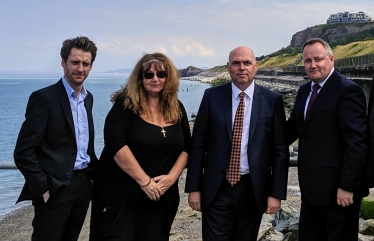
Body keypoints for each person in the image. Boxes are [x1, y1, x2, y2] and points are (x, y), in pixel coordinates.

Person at [185, 46, 289, 241]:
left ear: (255, 66)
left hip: (253, 189)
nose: (242, 67)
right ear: (228, 67)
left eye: (247, 63)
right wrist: (194, 188)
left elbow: (280, 151)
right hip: (216, 187)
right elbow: (198, 143)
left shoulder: (272, 100)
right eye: (236, 63)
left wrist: (276, 194)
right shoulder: (211, 97)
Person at [89, 52, 191, 241]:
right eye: (148, 74)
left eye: (161, 74)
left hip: (160, 197)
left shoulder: (177, 108)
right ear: (140, 77)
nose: (155, 79)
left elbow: (187, 148)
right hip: (121, 196)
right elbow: (116, 145)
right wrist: (145, 182)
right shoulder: (125, 105)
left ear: (169, 78)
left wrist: (171, 178)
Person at [13, 36, 98, 241]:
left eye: (85, 63)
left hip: (83, 184)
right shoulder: (44, 98)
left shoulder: (89, 98)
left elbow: (85, 145)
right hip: (55, 188)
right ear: (63, 62)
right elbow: (23, 151)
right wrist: (42, 188)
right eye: (75, 62)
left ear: (91, 66)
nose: (80, 68)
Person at [286, 38, 368, 240]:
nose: (312, 65)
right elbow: (291, 129)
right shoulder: (305, 90)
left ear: (331, 59)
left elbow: (357, 143)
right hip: (311, 189)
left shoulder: (347, 90)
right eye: (307, 61)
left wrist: (348, 187)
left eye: (318, 59)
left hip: (339, 193)